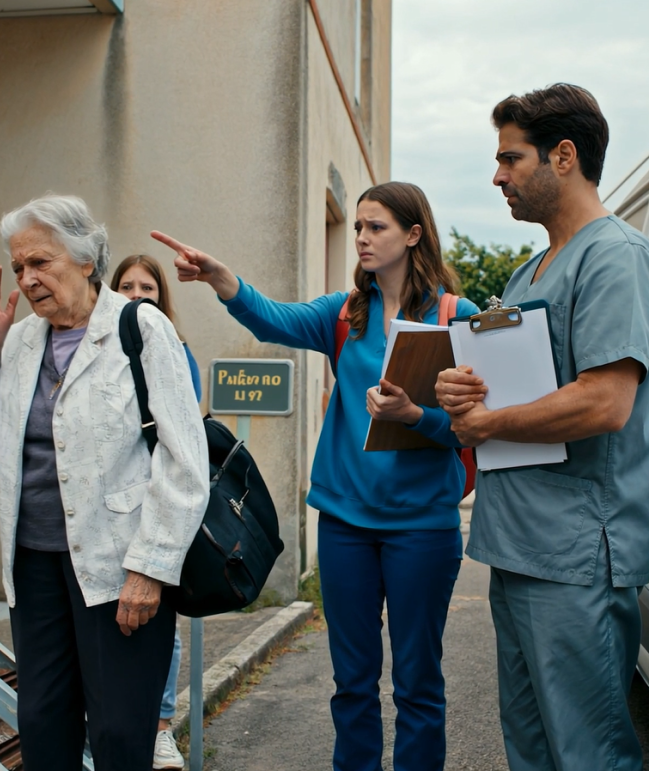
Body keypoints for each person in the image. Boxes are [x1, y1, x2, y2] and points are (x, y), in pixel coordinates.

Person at [151, 181, 480, 771]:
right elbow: (272, 320)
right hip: (346, 524)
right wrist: (223, 279)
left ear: (413, 234)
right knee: (351, 682)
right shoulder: (345, 313)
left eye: (375, 227)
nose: (361, 238)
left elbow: (474, 426)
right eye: (357, 226)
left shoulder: (461, 319)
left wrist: (416, 417)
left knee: (418, 684)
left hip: (423, 528)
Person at [435, 84, 649, 771]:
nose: (496, 176)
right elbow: (508, 390)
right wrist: (458, 392)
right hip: (518, 547)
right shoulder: (528, 273)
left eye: (509, 158)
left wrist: (491, 420)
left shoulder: (614, 255)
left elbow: (605, 401)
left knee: (587, 753)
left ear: (563, 156)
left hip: (575, 558)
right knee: (531, 751)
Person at [0, 194, 209, 771]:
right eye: (19, 267)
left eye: (41, 262)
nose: (27, 277)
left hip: (121, 567)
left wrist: (150, 566)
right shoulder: (21, 340)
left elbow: (185, 460)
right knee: (44, 725)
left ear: (87, 259)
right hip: (34, 562)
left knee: (120, 732)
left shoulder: (139, 327)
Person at [111, 253, 200, 771]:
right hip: (107, 508)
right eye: (127, 285)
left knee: (158, 619)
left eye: (148, 287)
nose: (138, 295)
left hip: (158, 503)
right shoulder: (98, 348)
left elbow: (184, 431)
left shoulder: (173, 348)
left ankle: (161, 728)